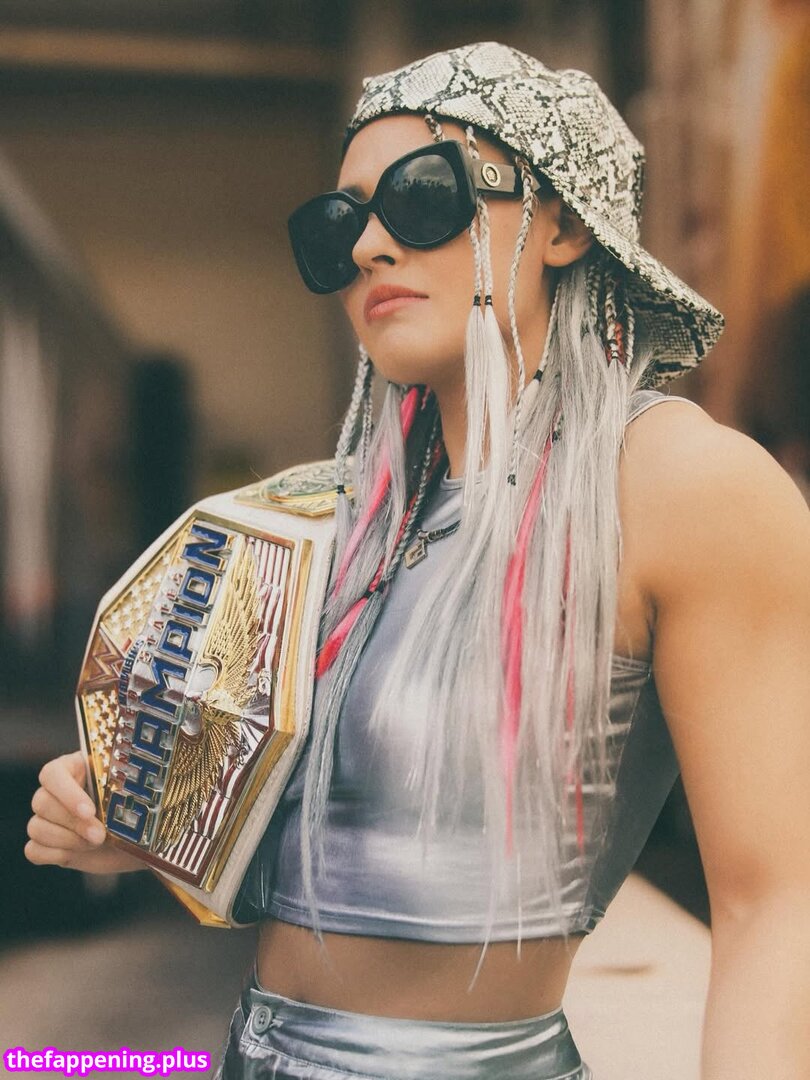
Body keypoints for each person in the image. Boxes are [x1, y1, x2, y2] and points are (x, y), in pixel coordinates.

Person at [25, 42, 810, 1080]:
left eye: (423, 196)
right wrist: (136, 822)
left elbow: (778, 902)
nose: (367, 247)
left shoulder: (681, 485)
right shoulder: (332, 518)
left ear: (563, 224)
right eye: (338, 224)